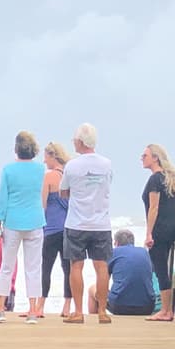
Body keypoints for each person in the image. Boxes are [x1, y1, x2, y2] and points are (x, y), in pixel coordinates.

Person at [60, 122, 113, 324]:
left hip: (77, 223)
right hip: (101, 223)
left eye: (74, 139)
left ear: (80, 142)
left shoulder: (72, 165)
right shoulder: (106, 164)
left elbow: (63, 192)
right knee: (101, 267)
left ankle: (79, 311)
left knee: (76, 266)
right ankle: (102, 311)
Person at [0, 131, 46, 323]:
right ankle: (32, 311)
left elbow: (2, 198)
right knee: (33, 268)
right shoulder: (41, 170)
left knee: (7, 266)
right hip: (35, 221)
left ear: (16, 149)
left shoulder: (8, 170)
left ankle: (0, 308)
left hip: (13, 222)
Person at [142, 143, 175, 321]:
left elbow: (153, 208)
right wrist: (172, 217)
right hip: (169, 229)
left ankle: (166, 311)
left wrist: (148, 233)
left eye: (145, 155)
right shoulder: (168, 178)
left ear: (155, 158)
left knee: (160, 269)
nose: (142, 158)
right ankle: (167, 310)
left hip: (158, 231)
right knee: (163, 268)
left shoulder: (155, 179)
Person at [40, 140, 75, 318]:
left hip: (52, 229)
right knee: (68, 268)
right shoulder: (70, 175)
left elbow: (43, 206)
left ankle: (40, 306)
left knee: (46, 267)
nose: (45, 161)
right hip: (68, 228)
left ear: (53, 156)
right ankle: (67, 306)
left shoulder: (49, 177)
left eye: (46, 157)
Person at [89, 229, 155, 316]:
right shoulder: (144, 252)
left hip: (120, 306)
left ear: (116, 243)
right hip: (147, 306)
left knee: (92, 289)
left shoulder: (113, 252)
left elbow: (103, 283)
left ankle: (96, 322)